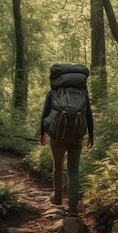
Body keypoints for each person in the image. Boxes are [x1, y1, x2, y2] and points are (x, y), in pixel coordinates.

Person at [40, 89, 94, 217]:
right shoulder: (82, 93)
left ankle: (58, 197)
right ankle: (73, 207)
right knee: (73, 170)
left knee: (58, 166)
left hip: (57, 136)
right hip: (77, 137)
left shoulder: (53, 92)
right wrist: (91, 135)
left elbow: (45, 114)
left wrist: (42, 133)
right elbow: (88, 115)